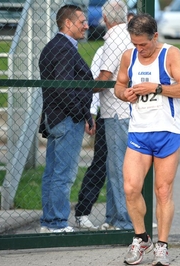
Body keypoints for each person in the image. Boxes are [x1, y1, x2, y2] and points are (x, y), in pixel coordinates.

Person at [114, 13, 180, 265]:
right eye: (135, 44)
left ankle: (162, 245)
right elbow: (118, 85)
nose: (140, 49)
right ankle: (141, 237)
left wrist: (156, 88)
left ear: (155, 36)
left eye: (144, 44)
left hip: (167, 132)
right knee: (130, 187)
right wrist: (124, 94)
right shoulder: (129, 56)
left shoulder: (171, 54)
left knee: (163, 191)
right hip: (139, 132)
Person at [38, 4, 95, 233]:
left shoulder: (54, 46)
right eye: (81, 22)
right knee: (63, 174)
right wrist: (81, 114)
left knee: (52, 172)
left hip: (56, 118)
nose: (86, 26)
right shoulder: (63, 49)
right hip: (66, 120)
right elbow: (63, 89)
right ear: (68, 23)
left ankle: (49, 221)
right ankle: (57, 222)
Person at [93, 0, 134, 230]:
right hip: (123, 111)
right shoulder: (127, 36)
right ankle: (112, 217)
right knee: (115, 165)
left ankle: (124, 221)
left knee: (118, 168)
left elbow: (105, 77)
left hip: (116, 113)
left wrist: (81, 87)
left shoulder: (113, 39)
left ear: (106, 18)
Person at [74, 47, 107, 230]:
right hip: (107, 115)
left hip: (135, 117)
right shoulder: (105, 49)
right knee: (100, 164)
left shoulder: (140, 49)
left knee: (135, 168)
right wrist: (92, 114)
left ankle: (134, 216)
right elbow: (94, 81)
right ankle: (83, 212)